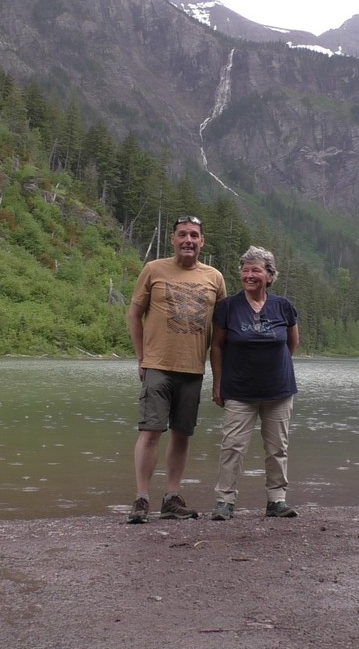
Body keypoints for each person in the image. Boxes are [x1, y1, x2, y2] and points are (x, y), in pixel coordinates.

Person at [125, 216, 227, 524]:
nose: (188, 240)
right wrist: (141, 358)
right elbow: (134, 314)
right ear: (173, 239)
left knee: (182, 434)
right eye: (182, 234)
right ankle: (142, 498)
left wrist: (221, 377)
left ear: (202, 241)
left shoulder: (215, 278)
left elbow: (221, 331)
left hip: (193, 369)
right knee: (150, 431)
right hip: (157, 365)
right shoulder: (153, 269)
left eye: (194, 235)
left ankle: (171, 498)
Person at [208, 246, 300, 520]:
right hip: (239, 390)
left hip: (279, 390)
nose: (249, 275)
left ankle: (276, 501)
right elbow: (217, 346)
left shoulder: (283, 306)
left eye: (256, 270)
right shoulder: (228, 307)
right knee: (232, 447)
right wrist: (218, 384)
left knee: (278, 448)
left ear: (269, 276)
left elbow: (292, 343)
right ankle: (224, 501)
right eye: (245, 270)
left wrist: (273, 367)